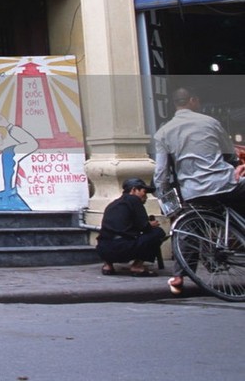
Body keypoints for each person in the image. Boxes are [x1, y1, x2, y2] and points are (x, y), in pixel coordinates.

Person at [153, 88, 245, 295]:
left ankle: (179, 277)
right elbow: (229, 153)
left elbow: (161, 173)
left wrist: (165, 197)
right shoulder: (210, 122)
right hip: (224, 183)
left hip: (194, 191)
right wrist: (233, 165)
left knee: (190, 230)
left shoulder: (163, 133)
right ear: (193, 100)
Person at [96, 178, 166, 276]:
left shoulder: (113, 204)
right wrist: (151, 224)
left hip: (103, 249)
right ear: (133, 190)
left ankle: (108, 265)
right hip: (124, 249)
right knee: (157, 232)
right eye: (144, 192)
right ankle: (137, 266)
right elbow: (145, 226)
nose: (145, 197)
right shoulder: (134, 200)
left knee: (109, 237)